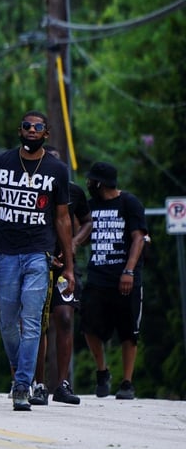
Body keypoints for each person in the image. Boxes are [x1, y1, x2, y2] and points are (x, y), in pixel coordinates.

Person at [0, 111, 74, 411]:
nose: (32, 130)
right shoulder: (1, 163)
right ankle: (21, 368)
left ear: (47, 133)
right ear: (20, 131)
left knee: (31, 322)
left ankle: (22, 384)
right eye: (27, 126)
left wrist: (68, 263)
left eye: (38, 126)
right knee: (7, 323)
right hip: (5, 253)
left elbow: (63, 218)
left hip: (38, 254)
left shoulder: (57, 169)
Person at [80, 161, 147, 400]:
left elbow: (139, 238)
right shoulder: (90, 206)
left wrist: (128, 271)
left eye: (91, 181)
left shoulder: (129, 203)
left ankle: (127, 382)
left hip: (124, 276)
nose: (88, 184)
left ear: (101, 183)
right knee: (88, 323)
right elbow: (84, 235)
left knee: (128, 331)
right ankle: (102, 371)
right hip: (98, 275)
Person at [31, 145, 93, 405]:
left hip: (64, 264)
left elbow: (88, 221)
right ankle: (39, 383)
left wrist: (74, 244)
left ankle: (63, 383)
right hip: (36, 262)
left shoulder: (73, 192)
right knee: (37, 323)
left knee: (65, 317)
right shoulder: (31, 189)